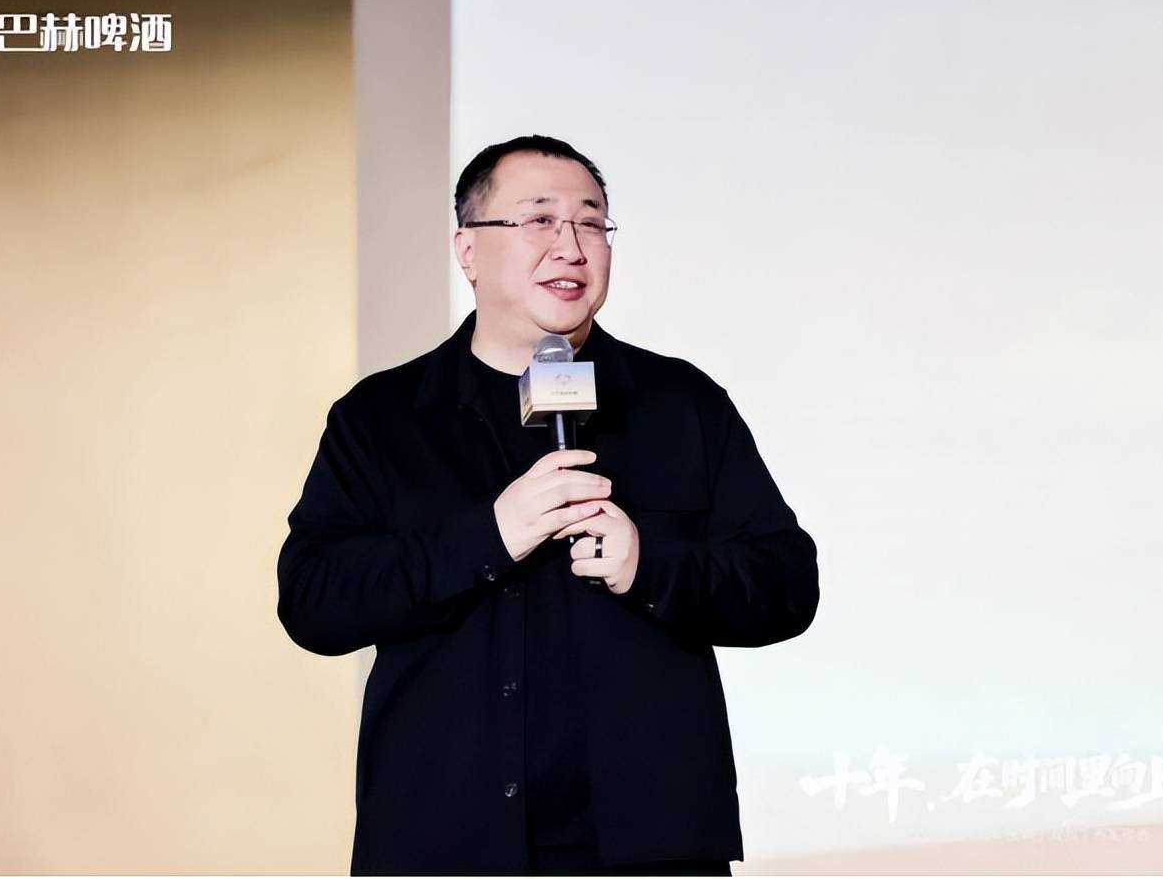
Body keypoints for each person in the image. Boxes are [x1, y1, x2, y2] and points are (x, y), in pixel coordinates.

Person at [276, 135, 819, 876]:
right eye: (538, 220)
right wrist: (487, 537)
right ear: (468, 250)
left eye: (591, 222)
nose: (571, 246)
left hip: (647, 849)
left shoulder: (681, 403)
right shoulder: (381, 417)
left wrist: (650, 566)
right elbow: (313, 602)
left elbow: (787, 585)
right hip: (445, 846)